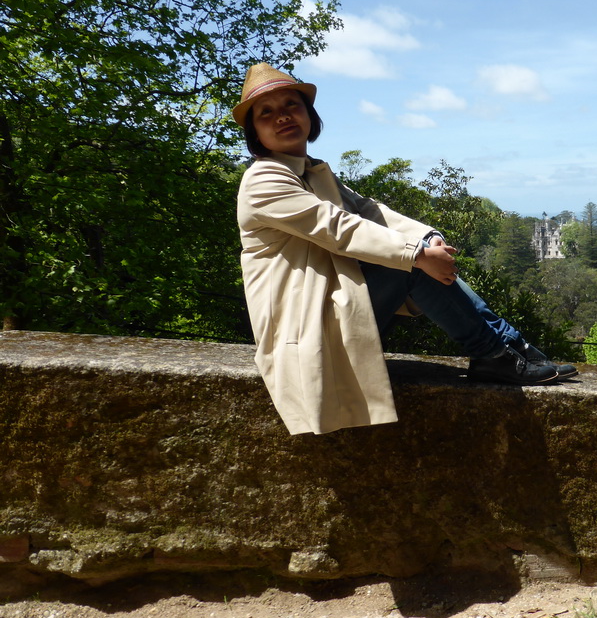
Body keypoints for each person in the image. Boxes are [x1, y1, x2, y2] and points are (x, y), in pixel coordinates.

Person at [233, 63, 577, 435]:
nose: (282, 116)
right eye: (266, 112)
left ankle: (510, 344)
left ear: (309, 115)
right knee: (410, 266)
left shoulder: (309, 171)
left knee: (422, 260)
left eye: (291, 105)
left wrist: (427, 239)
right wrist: (416, 254)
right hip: (303, 323)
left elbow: (368, 210)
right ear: (254, 130)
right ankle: (495, 354)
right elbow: (336, 227)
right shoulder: (264, 181)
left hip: (329, 304)